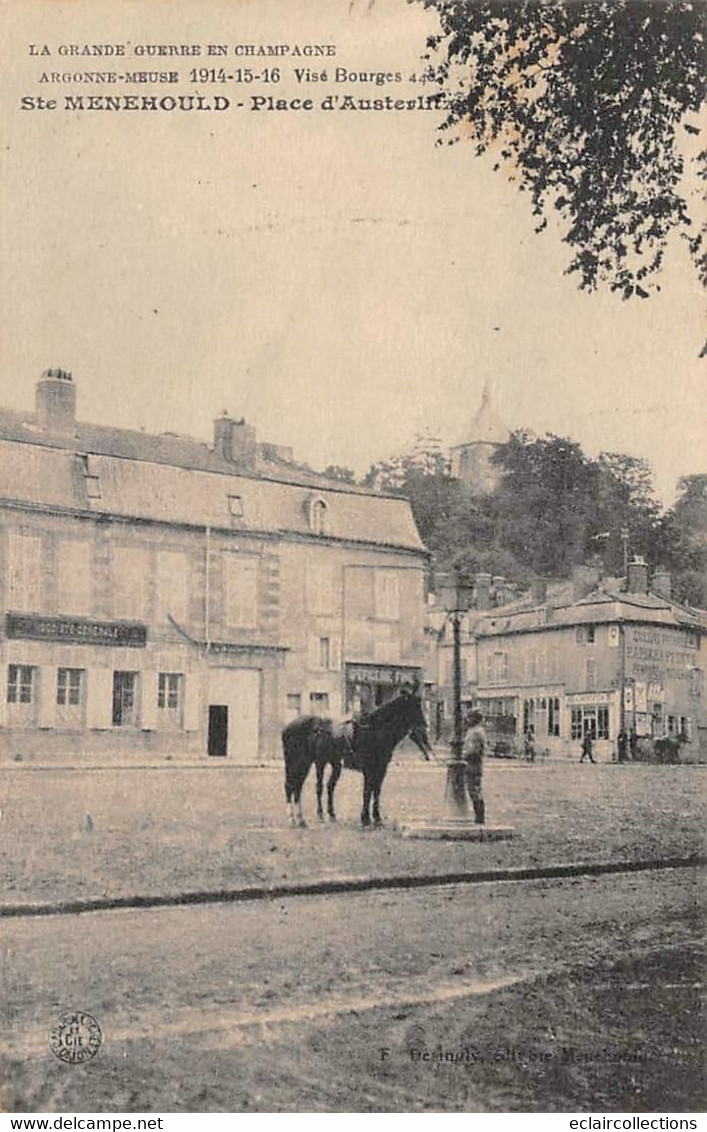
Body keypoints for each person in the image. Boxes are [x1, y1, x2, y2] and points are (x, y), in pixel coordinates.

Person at [462, 708, 486, 824]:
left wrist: (462, 755)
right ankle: (479, 817)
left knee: (474, 791)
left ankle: (479, 818)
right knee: (474, 791)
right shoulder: (474, 730)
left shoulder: (475, 732)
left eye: (470, 717)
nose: (467, 719)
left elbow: (473, 751)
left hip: (473, 765)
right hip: (473, 765)